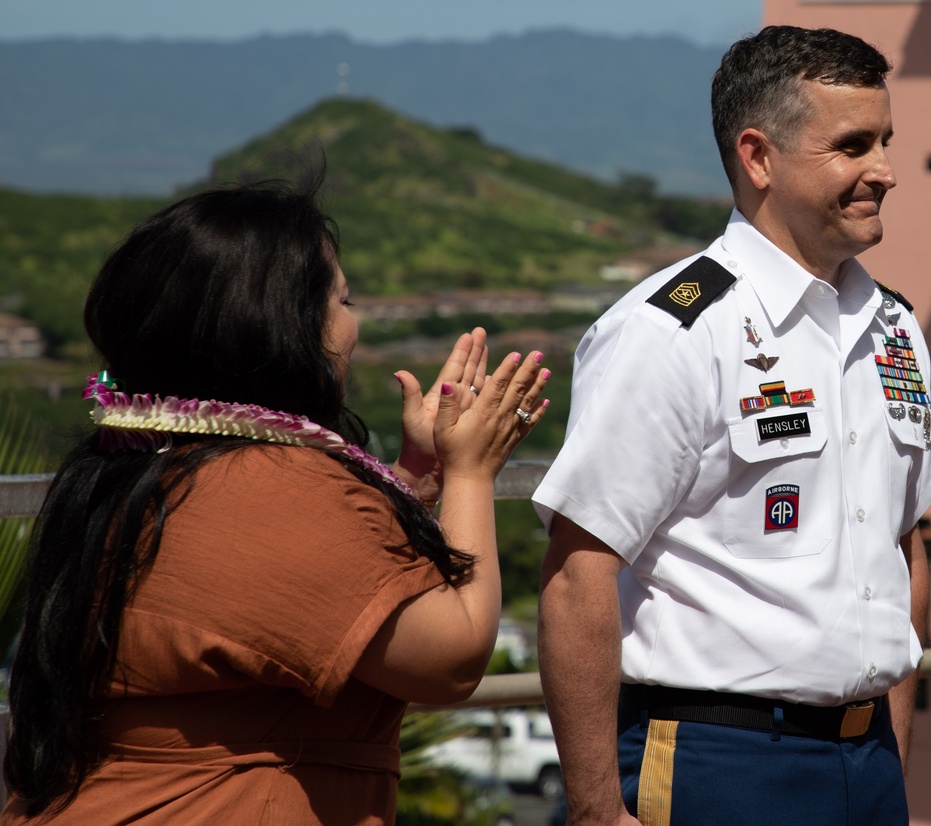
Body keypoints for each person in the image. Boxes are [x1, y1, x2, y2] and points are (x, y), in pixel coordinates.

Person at [2, 182, 551, 824]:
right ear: (284, 324)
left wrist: (418, 480)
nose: (355, 322)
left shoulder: (140, 460)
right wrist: (471, 474)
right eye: (343, 299)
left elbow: (313, 589)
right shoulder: (265, 486)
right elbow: (450, 660)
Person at [534, 25, 931, 826]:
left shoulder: (894, 327)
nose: (886, 172)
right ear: (758, 158)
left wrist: (885, 738)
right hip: (720, 764)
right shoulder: (672, 331)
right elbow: (579, 571)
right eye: (853, 146)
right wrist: (592, 809)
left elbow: (903, 541)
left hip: (870, 766)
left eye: (886, 141)